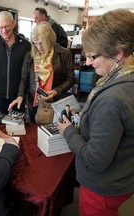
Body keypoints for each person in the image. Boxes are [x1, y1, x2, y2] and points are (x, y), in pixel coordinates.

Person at [57, 9, 134, 216]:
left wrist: (68, 131)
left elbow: (95, 159)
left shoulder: (112, 99)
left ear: (118, 54)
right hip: (123, 177)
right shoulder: (124, 79)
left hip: (103, 186)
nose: (88, 62)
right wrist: (86, 116)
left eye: (93, 56)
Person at [8, 22, 74, 123]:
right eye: (35, 43)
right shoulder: (30, 56)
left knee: (52, 134)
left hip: (54, 103)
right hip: (33, 103)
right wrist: (20, 95)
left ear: (50, 39)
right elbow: (24, 79)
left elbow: (71, 79)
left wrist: (57, 91)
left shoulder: (64, 54)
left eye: (42, 43)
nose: (39, 47)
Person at [0, 11, 31, 114]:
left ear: (13, 24)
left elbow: (29, 73)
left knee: (18, 127)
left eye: (7, 27)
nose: (4, 30)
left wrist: (27, 94)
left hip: (19, 96)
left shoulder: (26, 46)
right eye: (0, 27)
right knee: (0, 126)